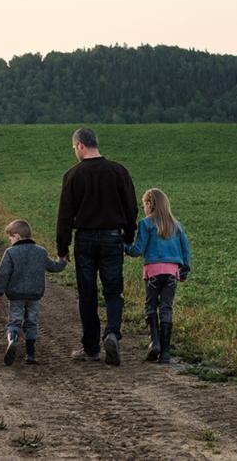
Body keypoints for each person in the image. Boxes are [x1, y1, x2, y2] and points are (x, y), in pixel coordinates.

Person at [56, 128, 138, 366]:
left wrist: (63, 247)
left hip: (85, 240)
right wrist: (128, 238)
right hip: (113, 237)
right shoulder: (118, 171)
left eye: (74, 148)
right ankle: (112, 333)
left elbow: (64, 216)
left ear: (80, 145)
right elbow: (131, 208)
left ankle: (91, 347)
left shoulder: (72, 175)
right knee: (113, 291)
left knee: (87, 294)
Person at [125, 188, 192, 364]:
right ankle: (166, 353)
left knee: (150, 306)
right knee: (166, 307)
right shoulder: (176, 226)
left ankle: (154, 343)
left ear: (149, 204)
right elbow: (186, 251)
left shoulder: (145, 224)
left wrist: (124, 247)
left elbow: (138, 250)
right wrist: (184, 271)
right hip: (171, 273)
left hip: (153, 272)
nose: (143, 208)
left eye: (144, 204)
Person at [0, 220, 66, 365]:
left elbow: (3, 274)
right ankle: (31, 355)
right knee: (31, 322)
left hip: (16, 295)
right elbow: (54, 267)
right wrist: (62, 259)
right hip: (34, 294)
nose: (11, 241)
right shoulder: (41, 251)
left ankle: (12, 340)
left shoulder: (11, 252)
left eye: (11, 238)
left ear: (17, 236)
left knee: (15, 320)